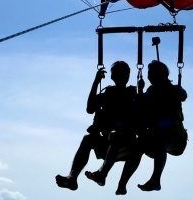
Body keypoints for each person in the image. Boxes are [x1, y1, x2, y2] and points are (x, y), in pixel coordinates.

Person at [56, 61, 139, 194]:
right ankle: (72, 177)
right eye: (116, 74)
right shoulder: (108, 93)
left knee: (116, 135)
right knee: (87, 139)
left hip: (126, 144)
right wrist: (96, 82)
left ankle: (103, 174)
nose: (119, 77)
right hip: (107, 145)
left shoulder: (133, 93)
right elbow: (90, 108)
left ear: (128, 76)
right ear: (112, 76)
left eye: (121, 74)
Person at [136, 60, 188, 192]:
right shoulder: (151, 91)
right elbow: (141, 103)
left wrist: (173, 89)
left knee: (160, 141)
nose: (149, 77)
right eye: (149, 74)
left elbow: (183, 95)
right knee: (139, 143)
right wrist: (140, 90)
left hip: (176, 138)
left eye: (151, 74)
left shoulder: (173, 89)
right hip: (158, 137)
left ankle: (155, 180)